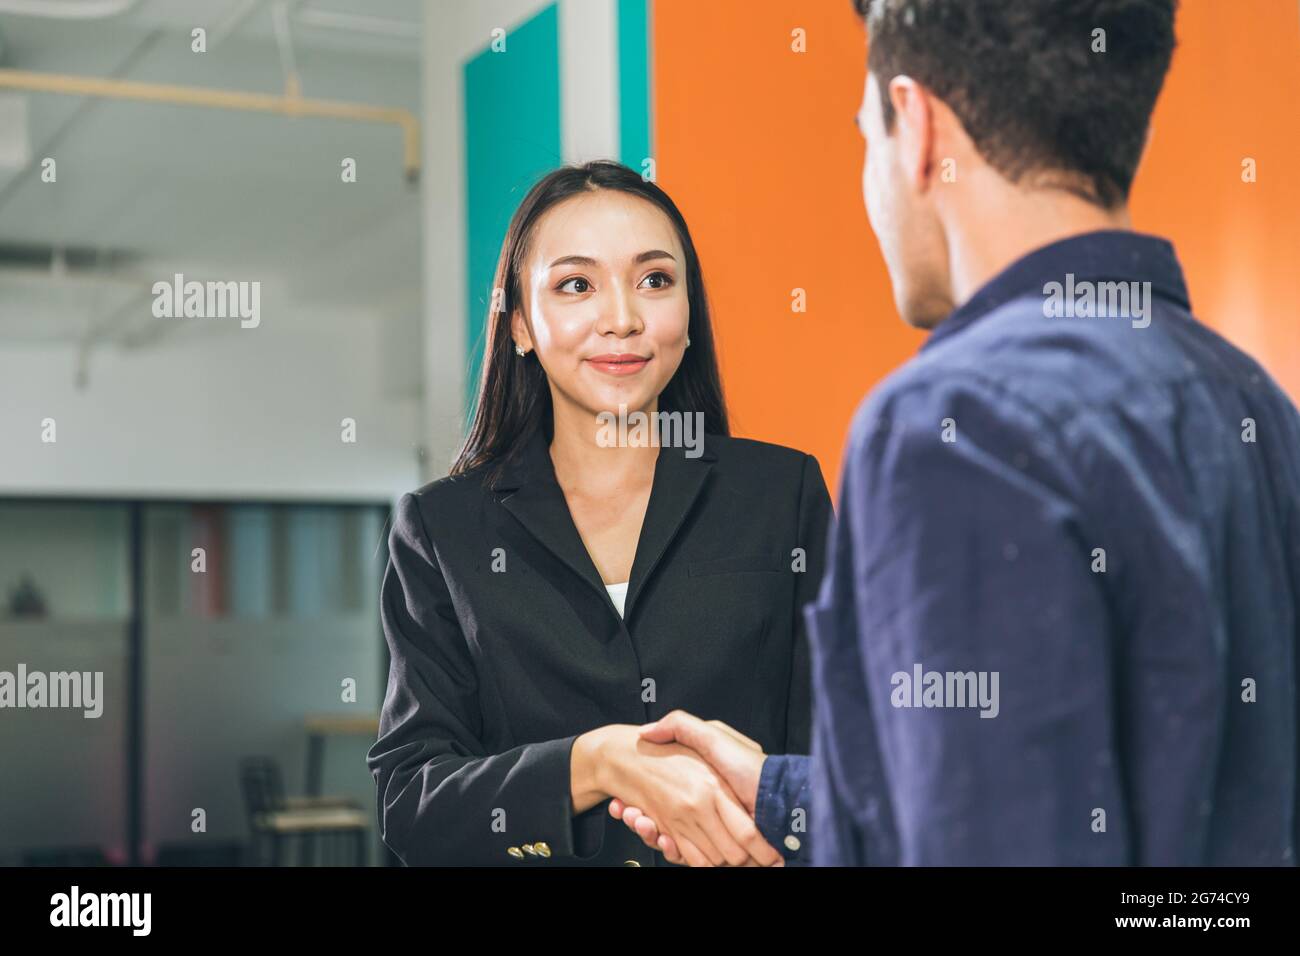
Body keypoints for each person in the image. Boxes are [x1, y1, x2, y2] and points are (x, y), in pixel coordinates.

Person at [610, 0, 1300, 865]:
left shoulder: (956, 422)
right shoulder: (1256, 407)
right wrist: (786, 795)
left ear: (919, 128)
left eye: (867, 132)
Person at [366, 160, 832, 866]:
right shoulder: (443, 529)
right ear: (520, 323)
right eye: (576, 285)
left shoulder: (782, 493)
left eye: (655, 280)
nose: (622, 318)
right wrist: (595, 762)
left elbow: (849, 757)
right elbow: (413, 803)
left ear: (688, 311)